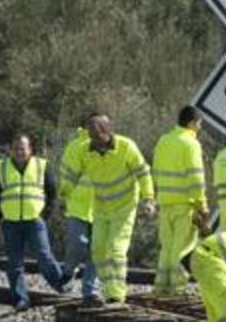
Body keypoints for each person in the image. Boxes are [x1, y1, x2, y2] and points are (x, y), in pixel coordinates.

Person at [58, 113, 155, 305]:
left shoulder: (126, 147)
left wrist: (149, 199)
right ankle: (108, 289)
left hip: (125, 206)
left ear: (107, 132)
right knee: (99, 251)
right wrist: (64, 193)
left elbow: (143, 173)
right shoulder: (86, 151)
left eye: (97, 136)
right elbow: (71, 174)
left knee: (115, 250)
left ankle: (116, 295)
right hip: (101, 206)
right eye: (91, 136)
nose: (94, 141)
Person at [0, 134, 69, 311]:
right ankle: (20, 299)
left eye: (22, 148)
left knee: (44, 256)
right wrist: (0, 218)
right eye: (15, 148)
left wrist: (44, 215)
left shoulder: (41, 165)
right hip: (10, 224)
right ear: (11, 150)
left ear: (30, 149)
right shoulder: (2, 168)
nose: (19, 152)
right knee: (15, 264)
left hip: (34, 221)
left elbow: (52, 193)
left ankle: (60, 285)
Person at [152, 106, 208, 296]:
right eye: (199, 124)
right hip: (186, 204)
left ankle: (161, 285)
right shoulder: (191, 143)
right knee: (183, 247)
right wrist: (201, 204)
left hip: (165, 202)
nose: (199, 128)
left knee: (167, 246)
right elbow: (196, 177)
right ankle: (177, 288)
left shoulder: (164, 140)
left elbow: (156, 171)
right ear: (192, 122)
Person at [59, 125, 102, 306]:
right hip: (77, 206)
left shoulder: (109, 146)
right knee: (78, 244)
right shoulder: (75, 146)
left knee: (97, 251)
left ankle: (90, 291)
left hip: (101, 208)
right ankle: (69, 270)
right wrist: (65, 195)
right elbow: (66, 174)